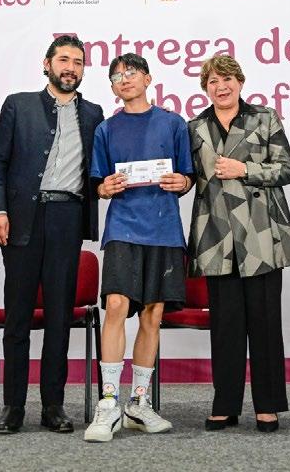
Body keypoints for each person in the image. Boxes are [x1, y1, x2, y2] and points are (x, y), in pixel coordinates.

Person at [0, 35, 104, 434]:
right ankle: (13, 406)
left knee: (59, 318)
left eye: (78, 62)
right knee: (18, 316)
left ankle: (53, 405)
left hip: (67, 218)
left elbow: (99, 167)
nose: (70, 67)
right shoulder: (18, 105)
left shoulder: (94, 113)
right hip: (22, 218)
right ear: (47, 64)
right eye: (64, 59)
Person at [188, 55, 290, 433]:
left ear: (239, 82)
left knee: (265, 323)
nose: (221, 87)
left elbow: (287, 170)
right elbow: (189, 176)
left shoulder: (264, 117)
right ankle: (225, 405)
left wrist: (245, 170)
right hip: (217, 237)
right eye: (213, 81)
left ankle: (267, 406)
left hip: (261, 236)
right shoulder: (195, 127)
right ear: (205, 88)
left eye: (227, 79)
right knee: (225, 326)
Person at [84, 53, 193, 442]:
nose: (124, 79)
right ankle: (109, 402)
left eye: (131, 73)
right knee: (116, 305)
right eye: (116, 76)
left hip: (164, 230)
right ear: (112, 87)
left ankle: (139, 403)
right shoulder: (105, 129)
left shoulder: (174, 123)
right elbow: (97, 183)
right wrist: (104, 188)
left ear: (147, 78)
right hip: (123, 228)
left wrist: (182, 182)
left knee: (153, 313)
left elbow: (187, 176)